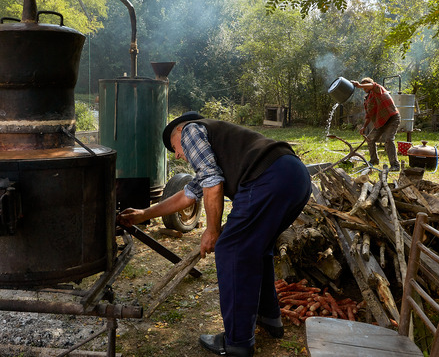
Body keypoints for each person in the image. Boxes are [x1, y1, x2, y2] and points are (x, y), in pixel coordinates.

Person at [117, 112, 312, 357]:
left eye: (174, 147)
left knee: (231, 250)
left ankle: (237, 342)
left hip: (267, 178)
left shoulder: (190, 131)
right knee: (256, 249)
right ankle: (269, 317)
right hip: (296, 177)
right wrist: (144, 214)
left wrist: (212, 230)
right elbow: (188, 194)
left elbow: (213, 182)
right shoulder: (214, 148)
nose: (177, 154)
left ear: (179, 131)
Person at [351, 77, 401, 170]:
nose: (364, 88)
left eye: (365, 85)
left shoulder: (378, 89)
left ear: (370, 84)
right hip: (381, 122)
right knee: (370, 139)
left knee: (389, 139)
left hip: (392, 118)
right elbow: (368, 116)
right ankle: (374, 160)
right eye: (363, 87)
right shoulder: (367, 100)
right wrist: (364, 127)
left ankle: (395, 165)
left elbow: (373, 85)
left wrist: (359, 85)